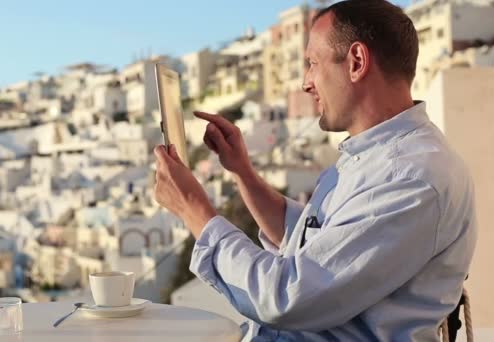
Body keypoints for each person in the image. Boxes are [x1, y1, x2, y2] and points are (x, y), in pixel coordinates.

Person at [153, 0, 477, 340]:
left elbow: (287, 296)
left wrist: (192, 209)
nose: (306, 83)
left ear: (356, 62)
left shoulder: (411, 176)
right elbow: (318, 241)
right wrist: (243, 174)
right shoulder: (380, 157)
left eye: (313, 63)